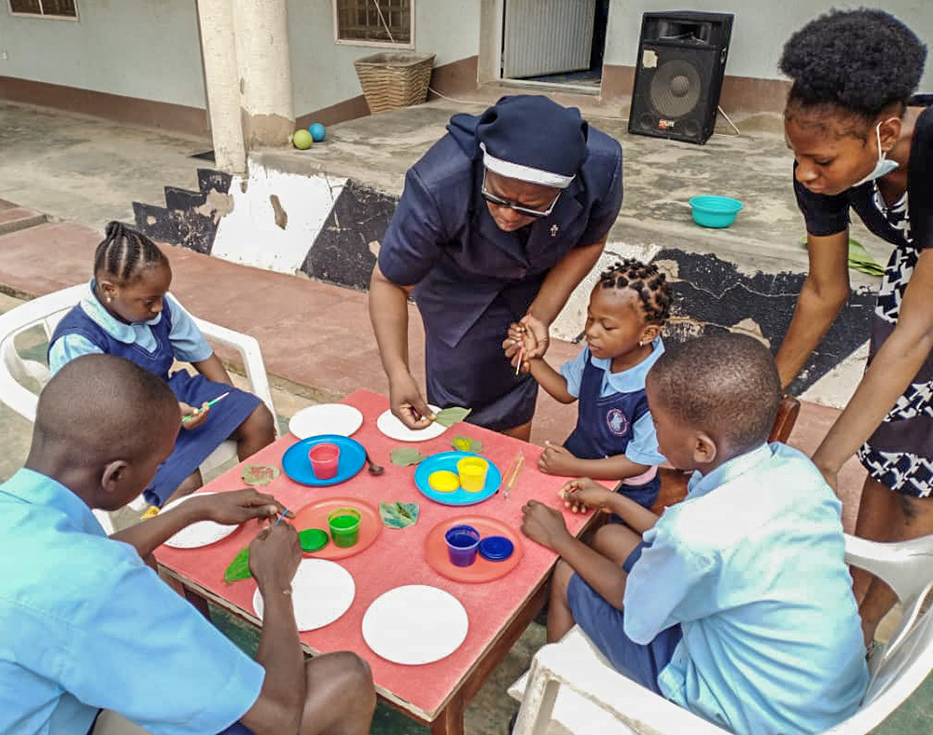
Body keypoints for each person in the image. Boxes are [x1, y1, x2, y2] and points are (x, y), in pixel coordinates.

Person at [0, 354, 375, 735]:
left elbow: (78, 564)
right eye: (160, 463)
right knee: (347, 676)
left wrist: (191, 509)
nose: (161, 469)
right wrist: (276, 584)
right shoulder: (98, 583)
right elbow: (278, 716)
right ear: (116, 476)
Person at [520, 334, 868, 735]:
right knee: (608, 539)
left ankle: (553, 702)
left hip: (741, 711)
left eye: (655, 419)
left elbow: (635, 607)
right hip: (818, 695)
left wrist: (559, 539)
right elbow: (698, 545)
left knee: (567, 571)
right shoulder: (793, 469)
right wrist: (613, 502)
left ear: (702, 447)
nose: (651, 428)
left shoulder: (695, 535)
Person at [775, 9, 933, 649]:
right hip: (916, 276)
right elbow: (824, 289)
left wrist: (822, 462)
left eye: (820, 159)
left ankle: (884, 620)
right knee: (887, 447)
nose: (806, 173)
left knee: (925, 478)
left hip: (923, 300)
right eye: (797, 155)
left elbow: (916, 336)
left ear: (886, 130)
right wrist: (762, 396)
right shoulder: (826, 160)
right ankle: (851, 607)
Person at [369, 94, 623, 441]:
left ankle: (509, 472)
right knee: (460, 387)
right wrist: (397, 372)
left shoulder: (600, 168)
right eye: (497, 197)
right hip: (457, 287)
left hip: (531, 278)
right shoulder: (439, 183)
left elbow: (590, 240)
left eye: (529, 208)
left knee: (519, 366)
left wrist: (541, 314)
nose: (507, 215)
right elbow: (389, 282)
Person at [49, 221, 276, 507]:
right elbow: (95, 417)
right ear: (109, 289)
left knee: (256, 418)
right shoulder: (77, 341)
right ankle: (188, 538)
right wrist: (163, 415)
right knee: (183, 483)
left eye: (162, 297)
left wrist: (226, 403)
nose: (158, 307)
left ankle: (254, 501)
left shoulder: (158, 306)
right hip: (119, 430)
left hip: (169, 395)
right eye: (148, 301)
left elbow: (201, 354)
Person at [508, 259, 670, 513]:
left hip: (623, 488)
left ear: (647, 334)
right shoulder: (598, 353)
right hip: (578, 460)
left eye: (607, 326)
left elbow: (637, 463)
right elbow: (566, 392)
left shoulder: (658, 388)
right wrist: (530, 358)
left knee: (597, 537)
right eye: (590, 318)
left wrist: (573, 467)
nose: (591, 332)